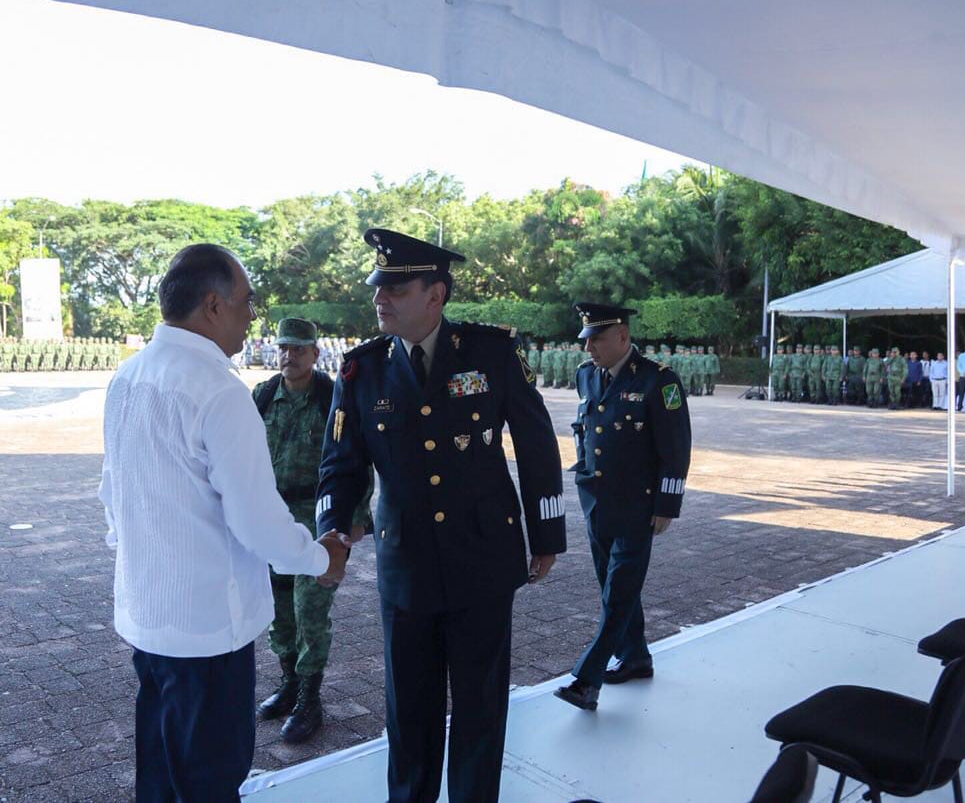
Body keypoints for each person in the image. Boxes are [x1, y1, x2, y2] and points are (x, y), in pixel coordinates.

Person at [316, 228, 566, 803]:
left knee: (480, 709)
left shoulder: (492, 353)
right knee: (409, 712)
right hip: (406, 567)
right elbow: (340, 464)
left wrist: (545, 532)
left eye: (397, 289)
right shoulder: (362, 370)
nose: (381, 298)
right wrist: (333, 527)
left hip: (484, 558)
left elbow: (535, 443)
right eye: (380, 287)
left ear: (436, 295)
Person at [97, 244, 350, 802]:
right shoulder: (219, 392)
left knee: (162, 773)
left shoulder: (128, 377)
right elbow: (257, 522)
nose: (249, 318)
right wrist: (320, 559)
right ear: (213, 305)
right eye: (245, 304)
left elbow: (112, 494)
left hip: (148, 618)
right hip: (208, 631)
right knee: (211, 779)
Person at [555, 303, 691, 713]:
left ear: (623, 338)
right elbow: (587, 433)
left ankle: (587, 679)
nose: (590, 346)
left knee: (617, 594)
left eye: (597, 338)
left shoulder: (658, 380)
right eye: (587, 339)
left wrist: (667, 502)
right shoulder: (585, 375)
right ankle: (635, 658)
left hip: (638, 504)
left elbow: (676, 446)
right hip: (596, 500)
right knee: (612, 586)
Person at [252, 317, 373, 744]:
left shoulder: (331, 398)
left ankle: (310, 699)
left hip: (318, 523)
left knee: (310, 612)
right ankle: (287, 685)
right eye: (284, 347)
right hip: (273, 521)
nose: (290, 356)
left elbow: (356, 461)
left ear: (315, 354)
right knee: (279, 611)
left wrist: (354, 520)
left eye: (299, 349)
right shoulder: (263, 396)